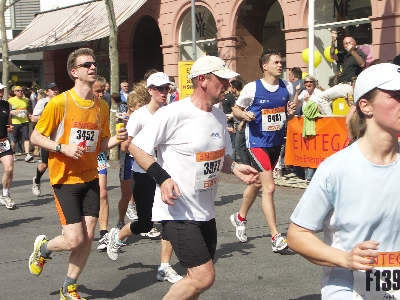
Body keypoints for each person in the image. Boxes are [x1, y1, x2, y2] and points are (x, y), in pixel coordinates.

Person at [124, 55, 259, 299]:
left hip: (205, 212)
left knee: (195, 281)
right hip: (177, 211)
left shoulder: (218, 116)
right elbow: (136, 147)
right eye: (222, 80)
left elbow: (220, 156)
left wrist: (235, 167)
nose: (228, 85)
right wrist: (163, 178)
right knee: (203, 277)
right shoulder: (174, 113)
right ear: (202, 80)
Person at [287, 63, 400, 299]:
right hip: (350, 290)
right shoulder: (336, 168)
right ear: (366, 107)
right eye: (396, 96)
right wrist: (346, 259)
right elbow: (297, 235)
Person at [28, 48, 127, 300]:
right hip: (64, 179)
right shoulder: (60, 103)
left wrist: (119, 139)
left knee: (88, 238)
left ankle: (69, 287)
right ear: (74, 72)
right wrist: (61, 147)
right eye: (86, 65)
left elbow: (99, 144)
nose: (93, 67)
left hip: (90, 177)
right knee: (73, 239)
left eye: (94, 64)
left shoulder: (101, 106)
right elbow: (36, 137)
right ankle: (44, 248)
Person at [107, 72, 183, 284]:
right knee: (145, 224)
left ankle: (164, 267)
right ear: (150, 90)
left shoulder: (169, 112)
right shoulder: (140, 115)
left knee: (169, 219)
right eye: (159, 89)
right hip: (142, 174)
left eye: (166, 88)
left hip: (165, 174)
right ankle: (117, 236)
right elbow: (124, 146)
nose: (163, 92)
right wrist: (146, 146)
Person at [230, 49, 296, 251]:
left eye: (280, 62)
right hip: (257, 143)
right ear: (264, 65)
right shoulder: (252, 88)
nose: (280, 65)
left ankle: (239, 217)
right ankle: (276, 237)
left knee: (258, 183)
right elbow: (235, 109)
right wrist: (244, 115)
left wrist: (291, 114)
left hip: (276, 143)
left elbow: (287, 117)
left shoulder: (288, 87)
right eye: (276, 62)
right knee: (269, 187)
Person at [314, 32, 366, 115]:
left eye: (350, 42)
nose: (348, 45)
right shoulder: (345, 55)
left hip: (349, 85)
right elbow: (332, 56)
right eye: (345, 43)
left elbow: (362, 64)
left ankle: (331, 120)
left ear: (355, 43)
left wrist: (352, 51)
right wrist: (333, 41)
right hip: (343, 85)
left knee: (321, 97)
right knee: (331, 103)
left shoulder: (359, 53)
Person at [92, 77, 112, 251]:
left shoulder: (104, 106)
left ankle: (104, 233)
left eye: (103, 91)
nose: (101, 94)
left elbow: (105, 134)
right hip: (78, 157)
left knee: (103, 193)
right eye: (97, 91)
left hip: (98, 155)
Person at [31, 83, 60, 197]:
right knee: (44, 165)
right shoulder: (43, 102)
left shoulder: (62, 101)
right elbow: (33, 118)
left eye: (56, 89)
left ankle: (59, 188)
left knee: (59, 163)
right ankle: (37, 180)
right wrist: (48, 117)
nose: (55, 91)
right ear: (47, 92)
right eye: (53, 89)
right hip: (46, 138)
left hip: (59, 137)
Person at [0, 83, 16, 209]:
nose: (1, 93)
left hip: (3, 141)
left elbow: (9, 123)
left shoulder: (6, 104)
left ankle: (5, 195)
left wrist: (10, 128)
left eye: (2, 91)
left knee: (9, 168)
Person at [8, 85, 34, 162]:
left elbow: (26, 109)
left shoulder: (26, 100)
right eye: (18, 91)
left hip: (25, 121)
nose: (20, 92)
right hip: (15, 121)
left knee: (26, 137)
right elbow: (8, 110)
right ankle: (12, 153)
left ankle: (27, 154)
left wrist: (29, 114)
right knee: (15, 138)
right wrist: (13, 112)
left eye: (21, 91)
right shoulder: (11, 100)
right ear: (15, 92)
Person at [222, 82, 237, 160]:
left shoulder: (231, 97)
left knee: (231, 143)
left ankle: (232, 161)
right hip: (222, 120)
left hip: (229, 121)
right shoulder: (222, 96)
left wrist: (229, 118)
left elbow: (234, 110)